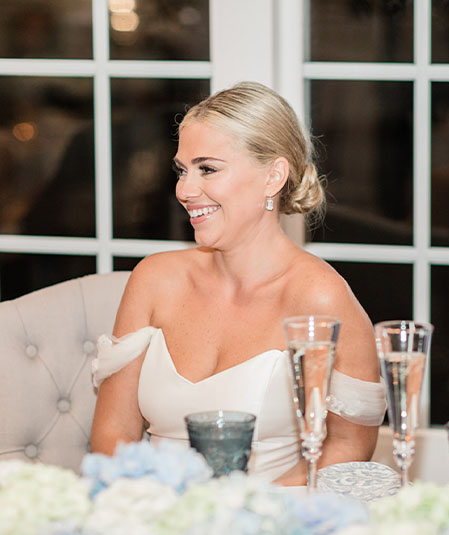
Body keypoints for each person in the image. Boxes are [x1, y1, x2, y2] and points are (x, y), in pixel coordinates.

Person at [90, 81, 386, 485]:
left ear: (273, 176)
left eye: (207, 169)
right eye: (182, 170)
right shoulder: (154, 279)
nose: (185, 190)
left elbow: (348, 448)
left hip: (268, 525)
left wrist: (241, 514)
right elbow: (113, 433)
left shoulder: (319, 296)